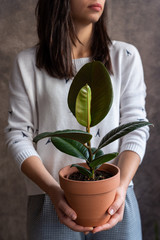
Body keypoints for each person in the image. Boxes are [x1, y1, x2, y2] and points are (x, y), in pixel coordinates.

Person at [5, 0, 149, 239]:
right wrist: (53, 190)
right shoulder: (28, 63)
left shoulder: (124, 56)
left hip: (115, 198)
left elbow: (135, 128)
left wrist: (121, 188)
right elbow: (18, 134)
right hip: (50, 200)